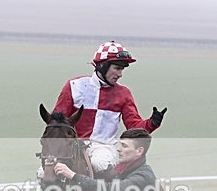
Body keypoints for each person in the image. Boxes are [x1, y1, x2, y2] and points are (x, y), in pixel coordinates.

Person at [50, 41, 167, 178]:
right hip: (72, 146)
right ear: (102, 66)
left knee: (100, 162)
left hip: (103, 147)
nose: (120, 74)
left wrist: (152, 123)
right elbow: (56, 122)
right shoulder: (74, 85)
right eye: (117, 68)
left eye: (122, 69)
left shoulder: (124, 93)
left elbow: (134, 128)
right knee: (43, 173)